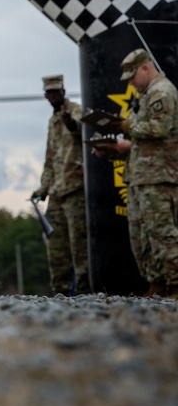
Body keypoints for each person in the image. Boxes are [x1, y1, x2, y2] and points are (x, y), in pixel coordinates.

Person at [97, 48, 178, 297]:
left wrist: (126, 126)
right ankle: (157, 284)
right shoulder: (144, 97)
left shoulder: (161, 92)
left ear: (145, 68)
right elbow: (139, 142)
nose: (131, 82)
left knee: (162, 232)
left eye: (132, 76)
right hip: (139, 176)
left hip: (158, 175)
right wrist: (112, 149)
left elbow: (160, 129)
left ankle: (176, 284)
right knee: (142, 235)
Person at [30, 74, 90, 295]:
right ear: (45, 96)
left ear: (64, 91)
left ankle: (84, 291)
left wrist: (70, 123)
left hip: (75, 188)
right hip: (56, 191)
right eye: (50, 93)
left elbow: (83, 130)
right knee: (55, 244)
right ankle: (60, 290)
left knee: (79, 244)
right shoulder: (52, 121)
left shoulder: (76, 111)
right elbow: (50, 160)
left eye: (57, 92)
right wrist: (43, 189)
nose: (53, 96)